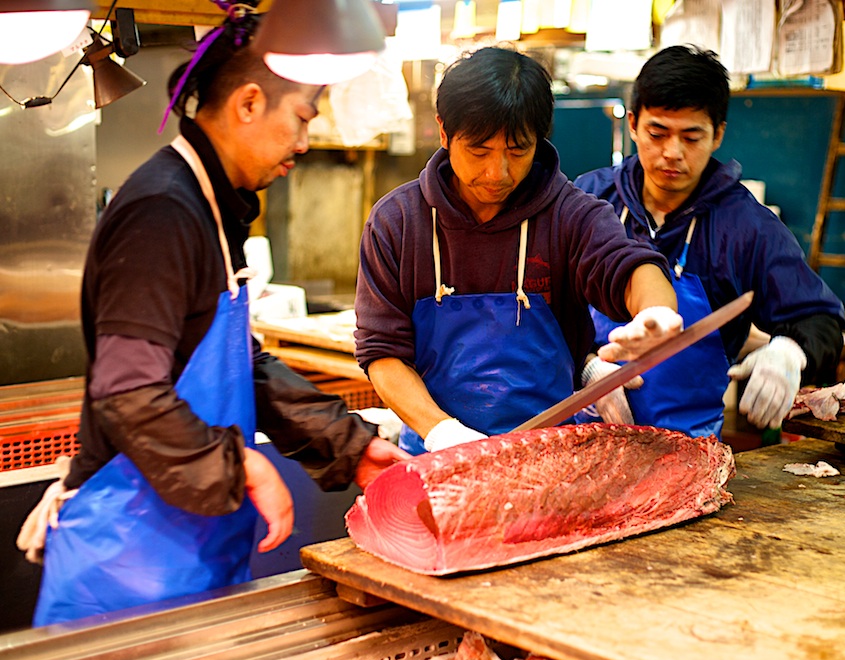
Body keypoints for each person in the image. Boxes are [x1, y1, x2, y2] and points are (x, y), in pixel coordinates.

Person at [21, 7, 407, 627]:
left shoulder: (214, 205)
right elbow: (127, 390)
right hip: (125, 567)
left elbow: (239, 364)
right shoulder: (161, 212)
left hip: (193, 553)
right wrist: (241, 463)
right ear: (250, 103)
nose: (305, 144)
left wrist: (349, 445)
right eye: (303, 118)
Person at [354, 46, 682, 455]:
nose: (498, 173)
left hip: (552, 457)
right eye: (478, 150)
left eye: (517, 150)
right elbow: (383, 353)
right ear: (444, 132)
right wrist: (442, 433)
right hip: (434, 456)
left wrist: (656, 312)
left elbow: (627, 265)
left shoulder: (569, 213)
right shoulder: (397, 222)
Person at [574, 45, 845, 437]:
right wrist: (584, 364)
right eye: (658, 133)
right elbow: (540, 308)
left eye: (691, 137)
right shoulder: (589, 200)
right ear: (633, 123)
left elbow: (820, 321)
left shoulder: (746, 226)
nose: (672, 153)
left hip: (689, 451)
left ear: (718, 134)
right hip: (579, 435)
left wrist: (788, 353)